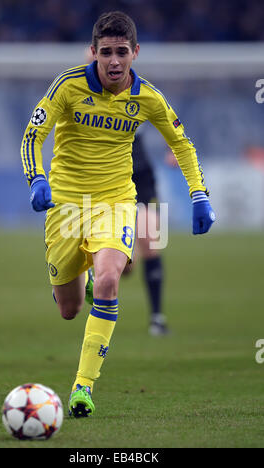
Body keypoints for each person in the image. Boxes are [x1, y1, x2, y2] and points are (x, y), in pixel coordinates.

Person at [21, 11, 215, 418]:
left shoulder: (148, 98)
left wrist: (199, 194)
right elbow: (33, 134)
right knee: (69, 308)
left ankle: (82, 387)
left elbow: (182, 144)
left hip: (116, 203)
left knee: (110, 280)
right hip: (67, 208)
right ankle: (81, 276)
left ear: (135, 53)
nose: (113, 61)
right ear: (93, 52)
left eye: (121, 52)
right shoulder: (68, 86)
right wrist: (36, 178)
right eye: (105, 52)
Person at [123, 130, 169, 336]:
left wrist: (172, 147)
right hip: (108, 169)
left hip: (140, 171)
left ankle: (157, 318)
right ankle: (128, 253)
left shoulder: (142, 96)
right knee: (125, 267)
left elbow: (166, 118)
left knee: (151, 241)